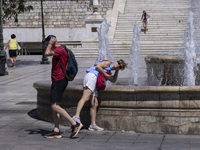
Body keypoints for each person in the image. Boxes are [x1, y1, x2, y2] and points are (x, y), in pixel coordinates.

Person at [44, 35, 82, 139]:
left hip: (59, 80)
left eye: (48, 44)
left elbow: (46, 53)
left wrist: (50, 43)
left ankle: (74, 123)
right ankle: (56, 130)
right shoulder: (62, 49)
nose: (48, 46)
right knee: (56, 105)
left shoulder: (60, 49)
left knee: (54, 106)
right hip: (60, 80)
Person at [73, 59, 127, 131]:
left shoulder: (110, 70)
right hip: (91, 77)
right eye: (118, 63)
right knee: (85, 98)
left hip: (95, 82)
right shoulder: (108, 63)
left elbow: (113, 80)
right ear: (116, 61)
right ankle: (76, 117)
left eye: (120, 67)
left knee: (94, 104)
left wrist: (117, 70)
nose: (118, 65)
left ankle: (93, 124)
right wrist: (105, 74)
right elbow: (98, 66)